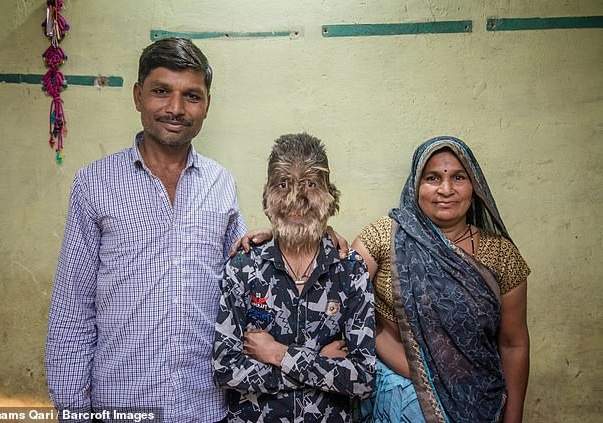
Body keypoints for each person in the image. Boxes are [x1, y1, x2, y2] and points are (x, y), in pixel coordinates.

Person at [45, 37, 247, 422]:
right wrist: (72, 411)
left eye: (192, 96)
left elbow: (245, 287)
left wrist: (310, 241)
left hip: (207, 406)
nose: (176, 108)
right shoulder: (94, 184)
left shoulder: (221, 184)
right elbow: (72, 309)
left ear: (207, 105)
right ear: (138, 96)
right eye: (161, 91)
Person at [353, 136, 530, 422]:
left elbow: (513, 345)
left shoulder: (501, 255)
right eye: (433, 178)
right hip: (397, 399)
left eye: (458, 177)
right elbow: (340, 297)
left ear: (474, 186)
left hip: (479, 401)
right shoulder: (384, 236)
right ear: (416, 185)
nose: (445, 189)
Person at [212, 133, 377, 422]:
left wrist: (278, 354)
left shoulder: (350, 271)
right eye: (283, 184)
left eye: (310, 184)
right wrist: (318, 362)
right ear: (267, 195)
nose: (295, 198)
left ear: (330, 194)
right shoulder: (244, 267)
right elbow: (225, 369)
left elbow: (363, 378)